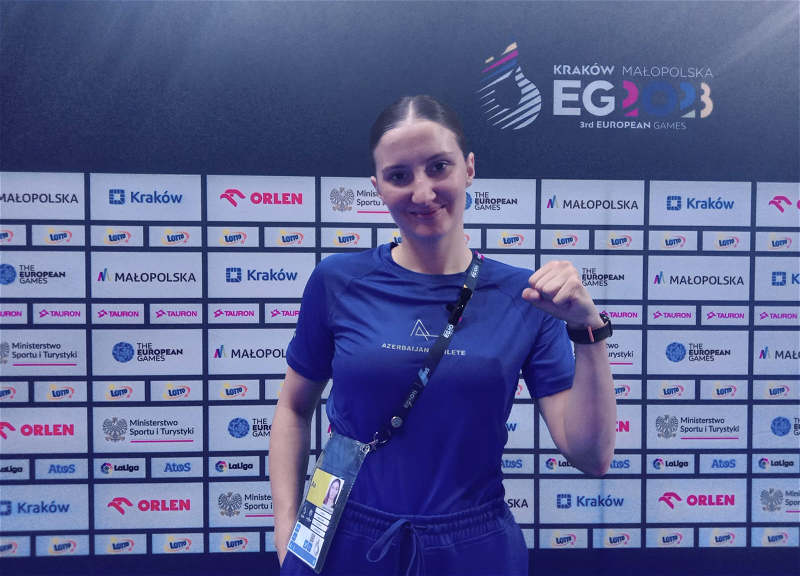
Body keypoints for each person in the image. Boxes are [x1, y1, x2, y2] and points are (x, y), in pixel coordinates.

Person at [270, 95, 616, 575]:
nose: (422, 192)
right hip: (343, 535)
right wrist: (286, 529)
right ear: (377, 187)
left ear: (468, 169)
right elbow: (293, 408)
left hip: (473, 547)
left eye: (438, 167)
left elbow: (590, 455)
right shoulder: (337, 281)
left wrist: (587, 330)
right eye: (399, 175)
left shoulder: (527, 296)